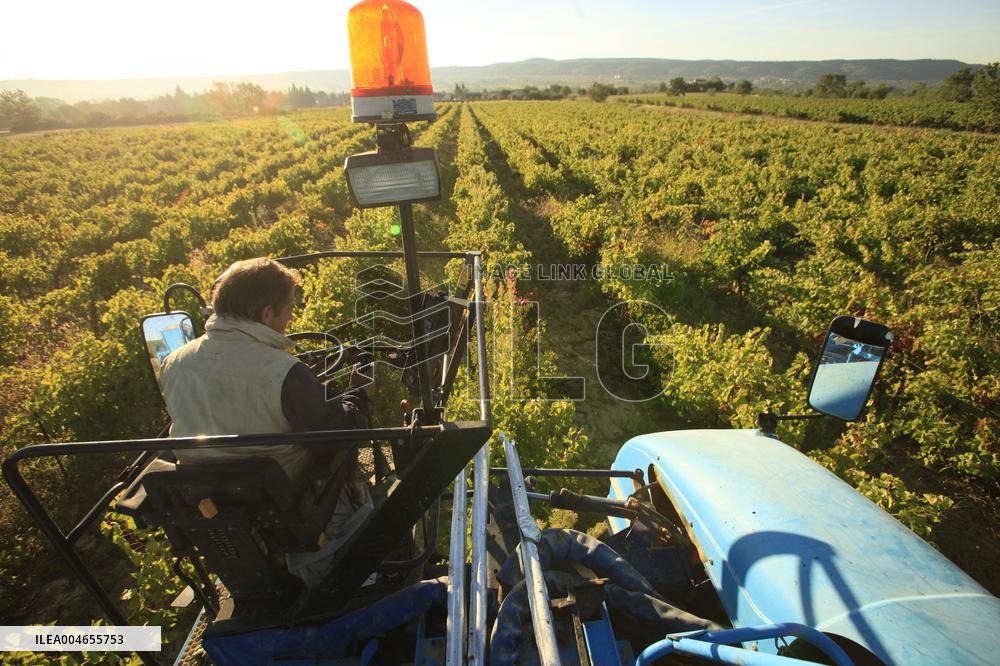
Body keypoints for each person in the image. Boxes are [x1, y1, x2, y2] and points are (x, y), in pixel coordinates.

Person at [159, 257, 373, 587]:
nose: (291, 317)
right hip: (289, 506)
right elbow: (338, 434)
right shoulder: (283, 372)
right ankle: (357, 557)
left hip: (216, 505)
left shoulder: (173, 364)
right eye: (288, 308)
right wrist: (357, 394)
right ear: (266, 313)